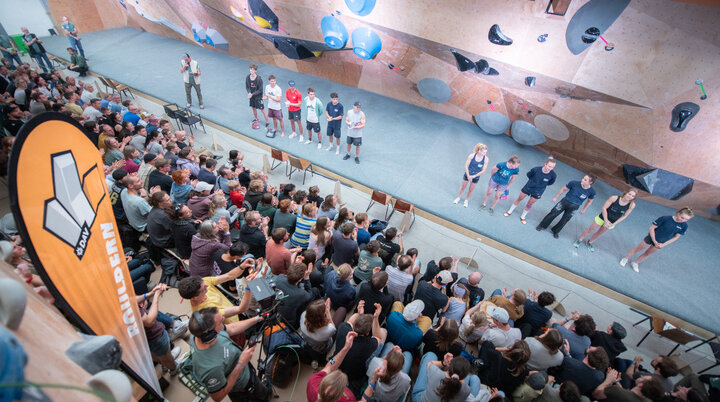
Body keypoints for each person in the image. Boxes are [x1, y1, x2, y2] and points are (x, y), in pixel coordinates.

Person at [188, 307, 269, 401]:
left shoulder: (198, 333)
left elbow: (231, 328)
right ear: (209, 335)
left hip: (246, 371)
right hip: (242, 388)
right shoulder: (211, 369)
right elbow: (218, 397)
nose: (223, 320)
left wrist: (258, 318)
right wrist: (241, 363)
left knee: (262, 390)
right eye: (220, 322)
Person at [620, 207, 693, 273]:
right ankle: (626, 259)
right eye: (682, 217)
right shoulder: (665, 218)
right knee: (638, 249)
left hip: (661, 242)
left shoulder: (684, 226)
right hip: (651, 237)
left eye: (686, 219)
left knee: (647, 253)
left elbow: (676, 237)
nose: (683, 220)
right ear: (678, 213)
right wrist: (654, 240)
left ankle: (635, 263)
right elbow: (652, 228)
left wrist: (663, 244)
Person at [536, 174, 597, 239]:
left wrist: (584, 209)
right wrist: (556, 197)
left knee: (565, 220)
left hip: (575, 207)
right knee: (553, 213)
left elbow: (590, 201)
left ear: (590, 182)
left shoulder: (592, 192)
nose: (582, 180)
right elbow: (563, 189)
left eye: (585, 180)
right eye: (583, 178)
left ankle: (556, 231)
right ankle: (542, 225)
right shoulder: (574, 183)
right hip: (564, 202)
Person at [306, 330, 358, 402]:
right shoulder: (349, 399)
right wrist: (373, 382)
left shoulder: (313, 381)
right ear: (337, 398)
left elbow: (330, 366)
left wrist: (346, 348)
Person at [504, 157, 557, 224]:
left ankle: (523, 216)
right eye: (549, 166)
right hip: (528, 187)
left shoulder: (553, 175)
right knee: (519, 198)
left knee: (530, 204)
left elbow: (550, 183)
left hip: (538, 192)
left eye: (552, 167)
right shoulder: (535, 169)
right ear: (545, 164)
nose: (550, 168)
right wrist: (533, 182)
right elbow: (529, 175)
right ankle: (510, 211)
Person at [412, 353, 483, 402]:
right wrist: (460, 375)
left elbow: (429, 363)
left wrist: (444, 363)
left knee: (431, 355)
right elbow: (463, 384)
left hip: (420, 400)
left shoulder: (436, 373)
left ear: (449, 366)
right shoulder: (466, 390)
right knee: (475, 378)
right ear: (463, 377)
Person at [275, 262, 315, 329]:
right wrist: (307, 278)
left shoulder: (279, 278)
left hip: (278, 311)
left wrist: (295, 268)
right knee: (315, 291)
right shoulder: (301, 294)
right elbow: (309, 295)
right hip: (291, 324)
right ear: (300, 279)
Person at [300, 298, 337, 365]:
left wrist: (323, 308)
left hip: (308, 342)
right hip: (323, 348)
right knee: (342, 310)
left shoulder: (303, 315)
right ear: (322, 317)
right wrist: (328, 314)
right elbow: (334, 329)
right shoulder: (329, 330)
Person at [592, 369, 666, 401]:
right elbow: (625, 394)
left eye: (643, 377)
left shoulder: (616, 391)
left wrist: (608, 380)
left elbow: (596, 394)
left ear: (640, 386)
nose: (641, 376)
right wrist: (617, 382)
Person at [454, 143, 488, 207]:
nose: (485, 154)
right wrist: (468, 175)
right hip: (468, 174)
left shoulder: (486, 159)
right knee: (463, 187)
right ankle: (458, 197)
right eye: (484, 152)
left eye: (486, 152)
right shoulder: (472, 156)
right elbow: (466, 166)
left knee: (471, 190)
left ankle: (466, 200)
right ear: (479, 151)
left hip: (476, 176)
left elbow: (483, 170)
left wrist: (474, 176)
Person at [245, 64, 268, 128]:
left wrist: (252, 94)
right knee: (253, 108)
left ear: (256, 71)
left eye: (253, 70)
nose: (251, 71)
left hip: (258, 97)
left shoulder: (259, 79)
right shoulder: (247, 77)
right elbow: (247, 87)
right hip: (252, 97)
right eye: (250, 69)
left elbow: (260, 90)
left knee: (262, 110)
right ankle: (256, 119)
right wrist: (249, 92)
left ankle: (267, 122)